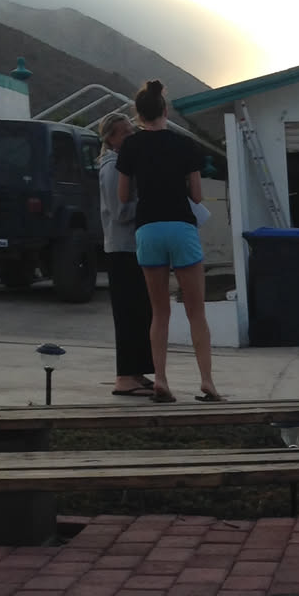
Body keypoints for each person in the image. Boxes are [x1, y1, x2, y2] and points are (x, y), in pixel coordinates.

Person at [116, 79, 221, 403]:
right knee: (196, 312)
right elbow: (197, 195)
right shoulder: (184, 145)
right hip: (181, 227)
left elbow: (123, 196)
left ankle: (160, 379)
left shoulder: (130, 147)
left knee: (159, 312)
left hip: (148, 229)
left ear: (138, 114)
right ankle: (207, 382)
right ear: (165, 110)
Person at [96, 112, 156, 396]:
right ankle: (124, 376)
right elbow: (119, 212)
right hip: (121, 249)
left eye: (132, 130)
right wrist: (149, 202)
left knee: (140, 312)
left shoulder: (125, 165)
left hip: (133, 247)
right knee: (128, 313)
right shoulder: (111, 168)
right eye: (125, 133)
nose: (131, 136)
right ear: (111, 138)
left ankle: (136, 371)